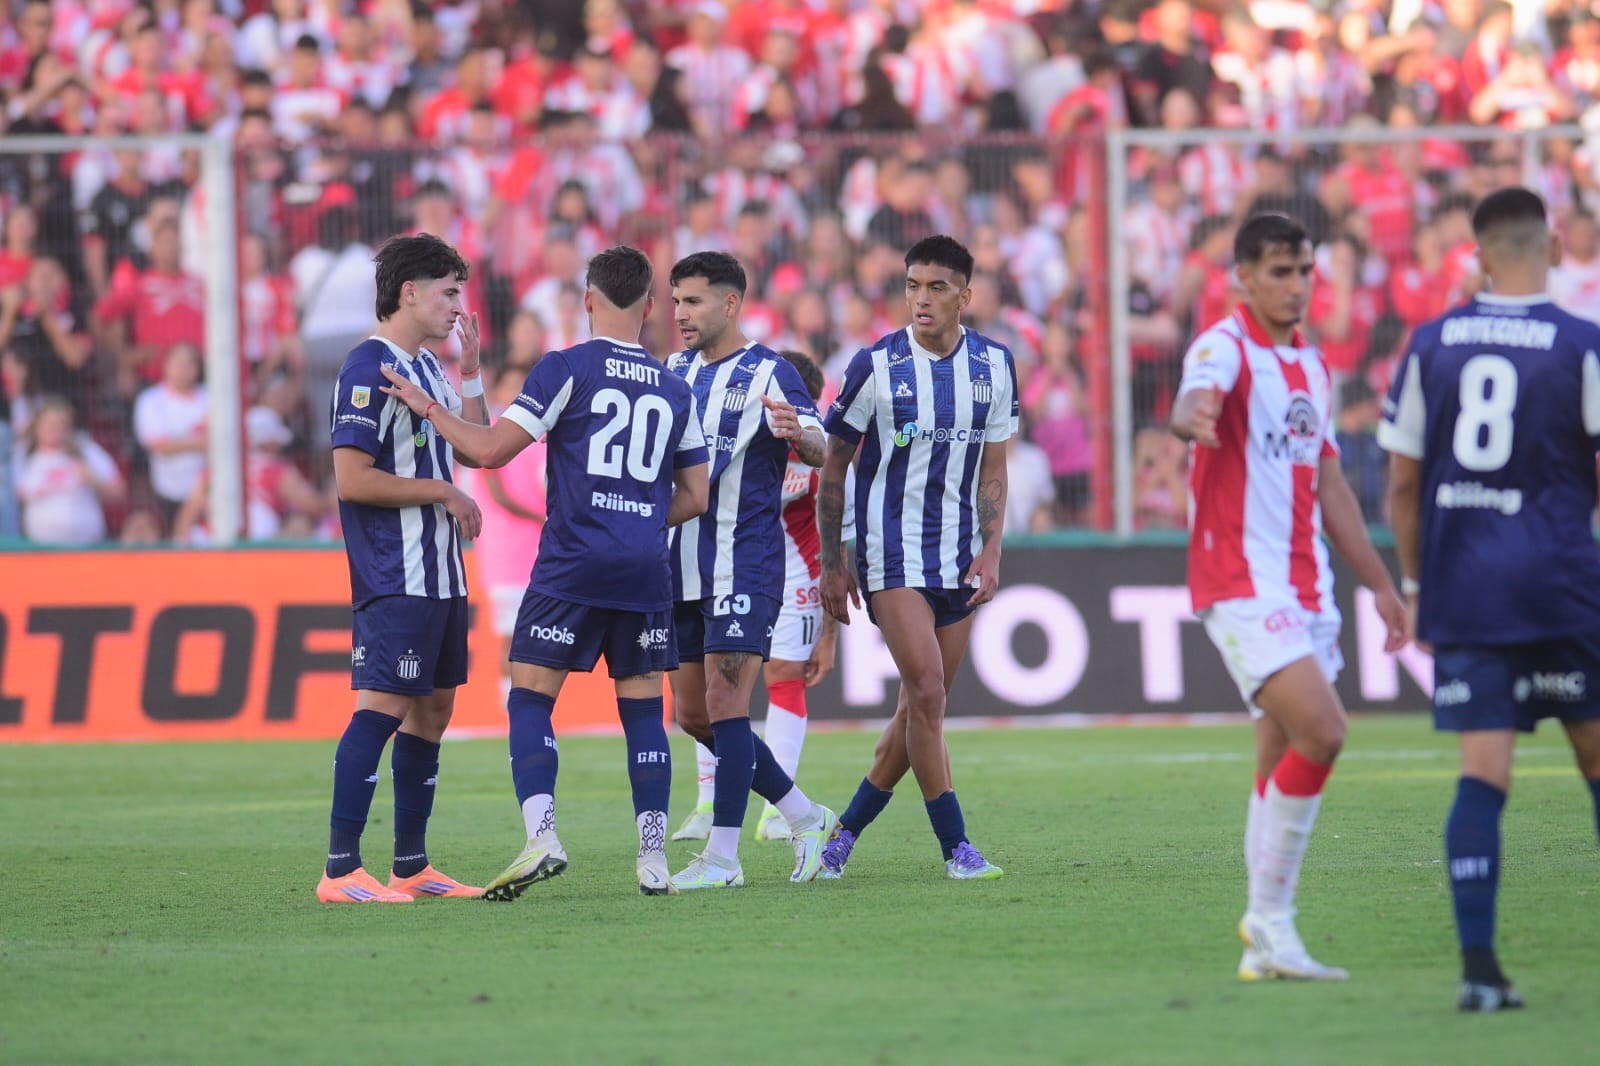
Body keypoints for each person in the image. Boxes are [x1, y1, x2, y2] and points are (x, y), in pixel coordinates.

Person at [380, 246, 710, 899]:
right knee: (644, 713)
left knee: (530, 695)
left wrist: (430, 406)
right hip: (645, 567)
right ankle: (652, 859)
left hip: (572, 562)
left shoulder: (567, 368)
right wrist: (639, 521)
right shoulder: (676, 387)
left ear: (588, 300)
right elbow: (697, 495)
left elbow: (487, 451)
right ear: (649, 307)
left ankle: (544, 835)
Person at [1169, 213, 1408, 978]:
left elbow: (1331, 482)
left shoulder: (1312, 364)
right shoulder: (1224, 347)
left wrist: (1380, 583)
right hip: (1238, 580)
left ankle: (1267, 944)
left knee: (1276, 760)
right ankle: (1272, 921)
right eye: (1279, 271)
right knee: (1325, 732)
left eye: (1304, 271)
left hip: (1306, 585)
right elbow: (1190, 403)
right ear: (1243, 276)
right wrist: (1192, 417)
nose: (1296, 286)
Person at [1379, 186, 1600, 1013]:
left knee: (1484, 778)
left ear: (1477, 253)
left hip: (1466, 589)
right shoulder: (1580, 343)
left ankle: (1479, 972)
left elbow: (1401, 482)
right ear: (1549, 249)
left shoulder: (1431, 345)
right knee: (1595, 761)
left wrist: (1414, 583)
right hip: (1561, 584)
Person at [816, 234, 1018, 882]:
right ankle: (956, 847)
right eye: (911, 286)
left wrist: (991, 549)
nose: (921, 299)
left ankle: (843, 832)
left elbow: (994, 466)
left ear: (967, 293)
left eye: (935, 286)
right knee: (928, 691)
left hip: (957, 558)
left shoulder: (993, 366)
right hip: (888, 554)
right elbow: (834, 468)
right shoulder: (874, 367)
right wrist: (832, 561)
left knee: (917, 712)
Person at [317, 233, 488, 904]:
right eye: (448, 292)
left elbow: (473, 450)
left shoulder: (429, 369)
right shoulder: (368, 367)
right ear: (408, 292)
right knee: (383, 706)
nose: (457, 307)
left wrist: (470, 371)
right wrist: (441, 492)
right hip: (397, 571)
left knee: (434, 711)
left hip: (442, 572)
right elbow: (352, 478)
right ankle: (338, 870)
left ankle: (411, 866)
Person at [662, 251, 838, 891]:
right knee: (694, 717)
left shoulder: (772, 372)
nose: (681, 313)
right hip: (680, 567)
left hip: (744, 565)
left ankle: (723, 859)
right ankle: (808, 815)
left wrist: (799, 434)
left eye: (694, 301)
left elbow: (819, 448)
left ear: (730, 303)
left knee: (724, 702)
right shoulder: (671, 371)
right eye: (676, 300)